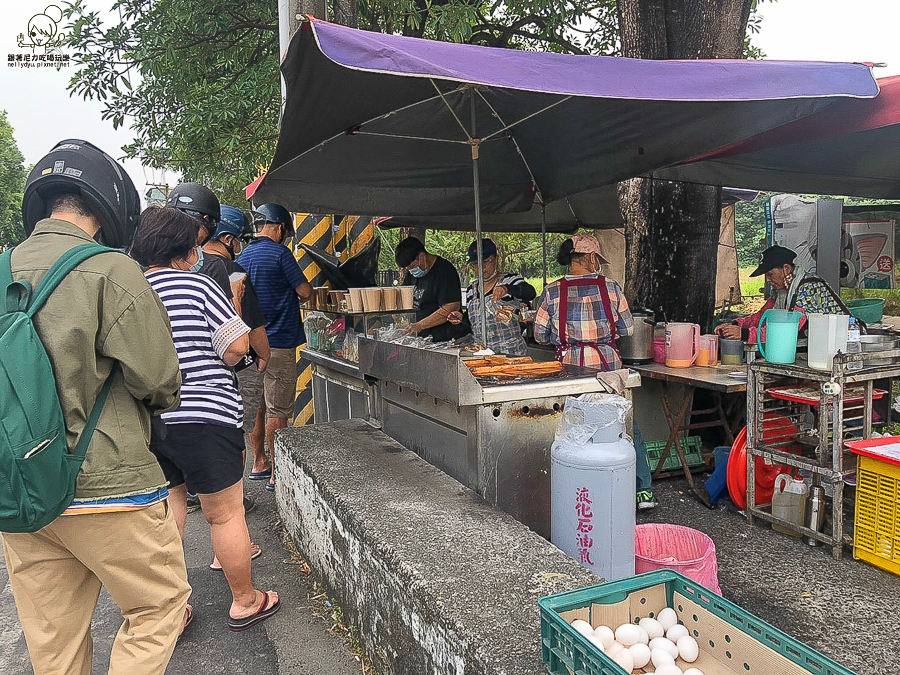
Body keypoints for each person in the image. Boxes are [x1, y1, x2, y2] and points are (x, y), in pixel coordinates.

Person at [2, 139, 191, 673]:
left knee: (54, 642)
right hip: (109, 485)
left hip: (23, 494)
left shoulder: (0, 272)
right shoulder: (110, 269)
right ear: (108, 208)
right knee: (158, 605)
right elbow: (158, 380)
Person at [131, 206, 281, 632]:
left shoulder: (134, 288)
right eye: (195, 246)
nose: (199, 253)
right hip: (207, 415)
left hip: (153, 419)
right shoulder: (198, 285)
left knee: (167, 512)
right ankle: (245, 601)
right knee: (226, 514)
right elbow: (236, 346)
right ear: (183, 251)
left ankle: (171, 613)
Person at [534, 234, 657, 509]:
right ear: (591, 258)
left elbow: (540, 335)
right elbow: (627, 329)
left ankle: (579, 488)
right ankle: (642, 490)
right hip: (608, 368)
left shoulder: (552, 291)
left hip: (570, 368)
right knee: (623, 426)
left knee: (575, 428)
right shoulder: (611, 288)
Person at [237, 203, 312, 492]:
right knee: (277, 410)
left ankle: (259, 462)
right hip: (278, 343)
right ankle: (277, 475)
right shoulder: (281, 254)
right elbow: (304, 291)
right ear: (280, 228)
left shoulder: (243, 256)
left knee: (256, 407)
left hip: (249, 345)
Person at [715, 245, 845, 344]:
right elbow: (762, 317)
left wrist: (744, 334)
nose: (767, 279)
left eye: (770, 274)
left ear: (786, 269)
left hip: (842, 343)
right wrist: (735, 325)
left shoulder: (807, 288)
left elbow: (788, 331)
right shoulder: (781, 291)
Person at [204, 204, 271, 374]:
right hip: (237, 363)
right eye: (240, 240)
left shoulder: (190, 266)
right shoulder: (233, 272)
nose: (240, 247)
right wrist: (264, 355)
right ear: (227, 239)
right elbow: (253, 323)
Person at [448, 238, 536, 355]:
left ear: (496, 260)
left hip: (512, 353)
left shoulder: (510, 280)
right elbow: (474, 321)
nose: (481, 267)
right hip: (482, 354)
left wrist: (507, 289)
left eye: (486, 262)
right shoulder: (471, 291)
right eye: (476, 264)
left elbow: (530, 292)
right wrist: (461, 318)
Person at [395, 236, 467, 342]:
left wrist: (420, 325)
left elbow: (452, 307)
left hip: (444, 338)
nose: (411, 270)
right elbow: (404, 293)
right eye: (408, 268)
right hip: (421, 338)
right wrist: (397, 308)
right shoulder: (411, 275)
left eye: (413, 266)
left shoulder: (445, 271)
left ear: (422, 257)